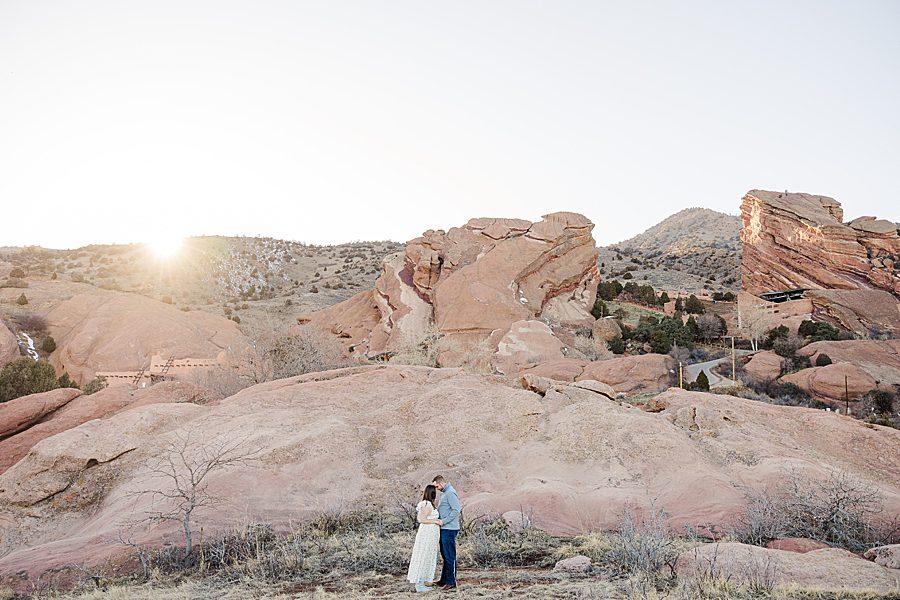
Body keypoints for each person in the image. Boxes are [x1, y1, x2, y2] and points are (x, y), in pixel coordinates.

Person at [406, 484, 443, 593]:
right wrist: (436, 521)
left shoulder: (429, 504)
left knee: (427, 556)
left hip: (430, 534)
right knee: (424, 555)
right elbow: (421, 519)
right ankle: (419, 584)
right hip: (427, 534)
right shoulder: (427, 504)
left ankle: (422, 582)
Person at [432, 475, 461, 590]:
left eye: (437, 486)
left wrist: (444, 521)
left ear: (442, 483)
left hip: (449, 528)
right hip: (445, 529)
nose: (436, 488)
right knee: (445, 555)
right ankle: (444, 579)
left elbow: (456, 510)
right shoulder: (445, 492)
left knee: (450, 555)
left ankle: (451, 582)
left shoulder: (450, 493)